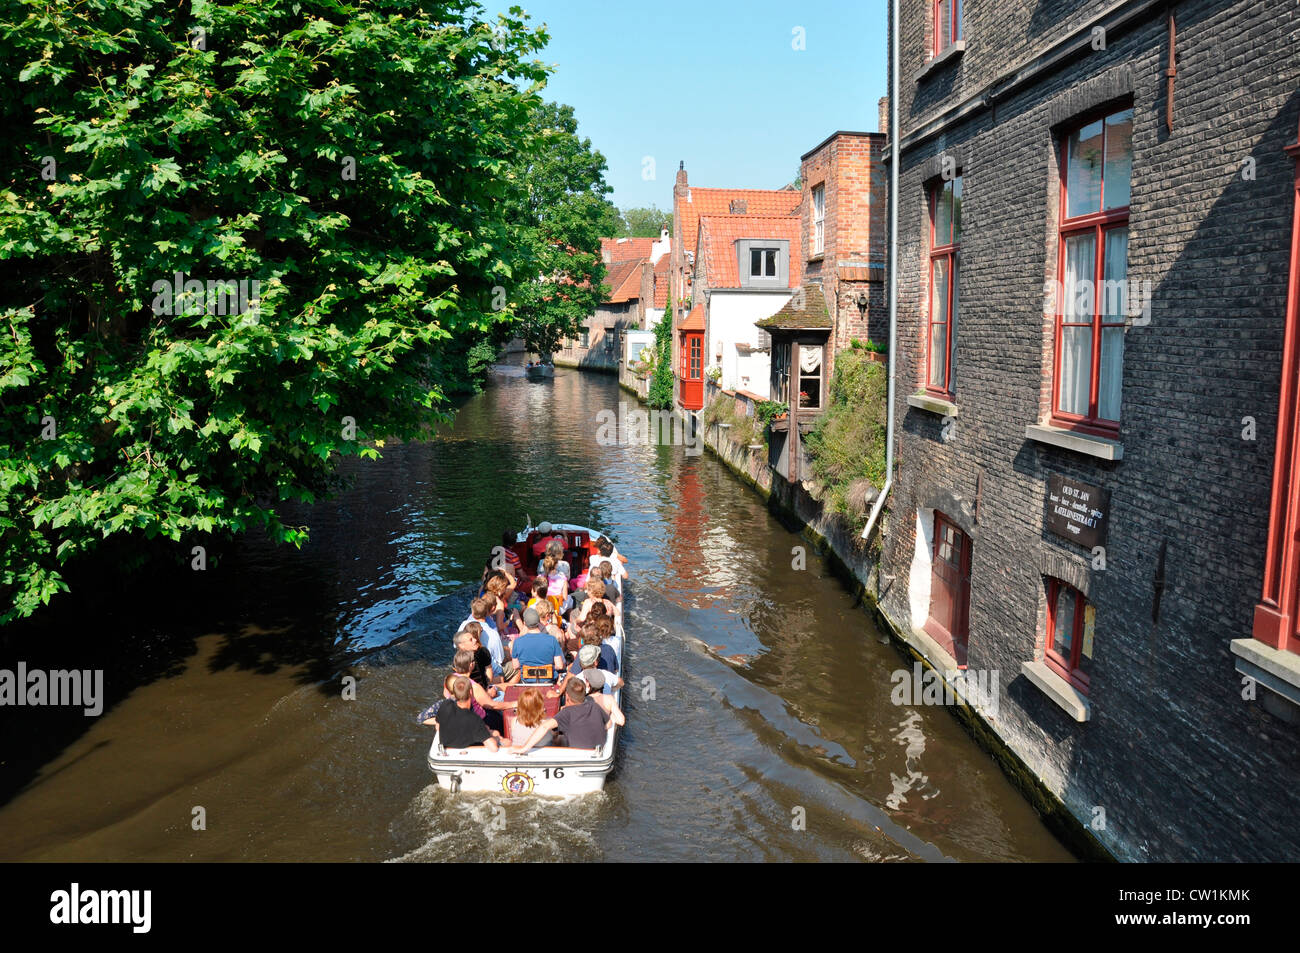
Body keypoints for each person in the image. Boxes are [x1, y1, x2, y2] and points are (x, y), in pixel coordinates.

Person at [513, 679, 623, 753]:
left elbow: (544, 726)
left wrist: (524, 748)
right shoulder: (595, 707)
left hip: (573, 753)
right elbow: (608, 725)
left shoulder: (566, 713)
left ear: (567, 696)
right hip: (593, 752)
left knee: (559, 737)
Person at [436, 676, 501, 751]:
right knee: (497, 734)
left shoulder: (445, 705)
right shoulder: (474, 719)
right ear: (470, 692)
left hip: (447, 751)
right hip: (469, 754)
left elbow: (438, 727)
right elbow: (494, 748)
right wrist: (497, 738)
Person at [510, 607, 565, 682]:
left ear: (525, 623)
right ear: (539, 622)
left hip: (527, 682)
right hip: (549, 681)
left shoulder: (517, 642)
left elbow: (515, 666)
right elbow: (559, 666)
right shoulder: (552, 640)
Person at [460, 596, 506, 682]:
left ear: (472, 613)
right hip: (488, 672)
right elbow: (500, 659)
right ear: (487, 613)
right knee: (507, 674)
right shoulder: (493, 633)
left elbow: (456, 645)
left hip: (468, 665)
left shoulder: (463, 625)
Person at [453, 625, 492, 689]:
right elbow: (462, 686)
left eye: (473, 637)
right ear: (461, 646)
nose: (475, 640)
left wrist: (488, 685)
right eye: (471, 640)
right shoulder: (460, 661)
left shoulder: (482, 652)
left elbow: (488, 669)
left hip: (485, 687)